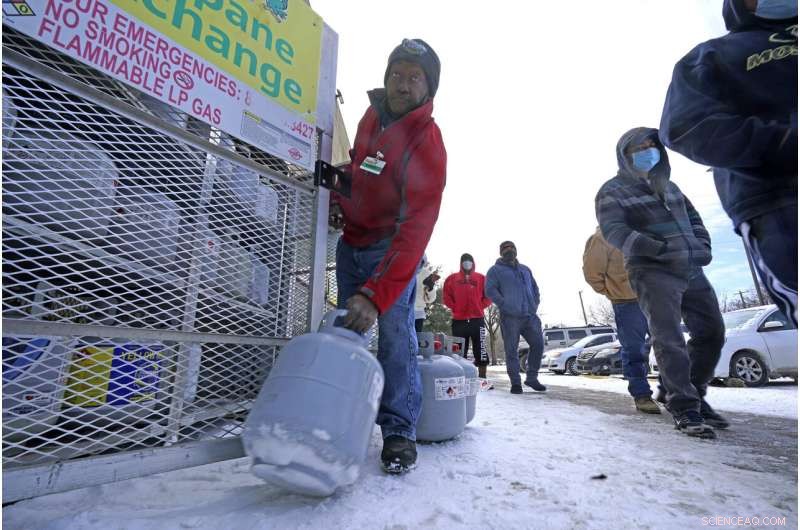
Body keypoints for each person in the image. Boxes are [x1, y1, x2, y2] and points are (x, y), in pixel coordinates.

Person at [331, 38, 446, 473]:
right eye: (397, 74)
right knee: (347, 336)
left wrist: (376, 293)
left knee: (396, 336)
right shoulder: (370, 116)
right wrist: (341, 198)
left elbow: (415, 231)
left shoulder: (428, 141)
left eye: (414, 77)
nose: (403, 84)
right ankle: (342, 419)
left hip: (389, 251)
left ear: (428, 87)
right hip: (352, 245)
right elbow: (361, 169)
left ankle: (399, 431)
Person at [659, 0, 798, 326]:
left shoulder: (674, 196)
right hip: (781, 201)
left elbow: (693, 224)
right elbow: (686, 126)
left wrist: (701, 248)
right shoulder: (711, 57)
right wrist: (782, 141)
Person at [595, 127, 727, 439]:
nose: (647, 151)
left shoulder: (671, 187)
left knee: (712, 332)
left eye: (651, 145)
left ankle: (685, 390)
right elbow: (614, 231)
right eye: (638, 148)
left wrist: (701, 246)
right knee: (669, 338)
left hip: (692, 268)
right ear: (625, 156)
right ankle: (685, 407)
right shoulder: (612, 190)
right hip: (652, 271)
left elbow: (695, 219)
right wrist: (659, 249)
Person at [582, 227, 661, 414]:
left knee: (669, 344)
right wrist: (614, 291)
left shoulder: (646, 229)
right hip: (627, 302)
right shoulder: (601, 237)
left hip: (656, 296)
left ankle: (672, 391)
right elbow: (592, 274)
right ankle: (641, 394)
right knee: (635, 349)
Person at [485, 241, 546, 394]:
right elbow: (490, 291)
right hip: (510, 317)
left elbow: (535, 287)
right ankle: (516, 383)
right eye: (505, 248)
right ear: (501, 252)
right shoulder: (495, 271)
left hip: (530, 315)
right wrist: (505, 305)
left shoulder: (525, 269)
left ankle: (532, 377)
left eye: (512, 247)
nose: (509, 250)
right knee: (511, 350)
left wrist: (534, 304)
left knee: (538, 344)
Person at [442, 253, 492, 377]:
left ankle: (482, 376)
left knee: (480, 347)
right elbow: (446, 296)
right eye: (464, 261)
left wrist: (480, 306)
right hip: (459, 320)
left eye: (469, 261)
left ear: (473, 262)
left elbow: (489, 295)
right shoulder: (452, 279)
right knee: (458, 349)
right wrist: (455, 307)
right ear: (461, 263)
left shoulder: (481, 278)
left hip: (477, 320)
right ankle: (459, 376)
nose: (467, 263)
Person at [414, 255, 438, 332]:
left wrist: (430, 288)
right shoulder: (402, 270)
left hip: (417, 313)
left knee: (416, 339)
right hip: (401, 311)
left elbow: (431, 299)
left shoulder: (426, 273)